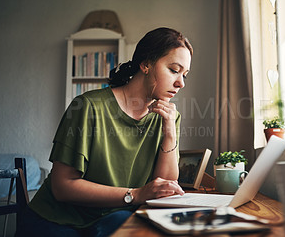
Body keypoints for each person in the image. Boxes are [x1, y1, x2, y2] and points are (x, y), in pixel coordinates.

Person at [15, 27, 193, 237]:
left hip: (113, 217)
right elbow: (62, 187)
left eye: (185, 75)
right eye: (174, 70)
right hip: (58, 220)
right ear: (146, 64)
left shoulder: (169, 118)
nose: (181, 83)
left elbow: (163, 188)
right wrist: (134, 194)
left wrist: (170, 132)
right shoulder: (87, 106)